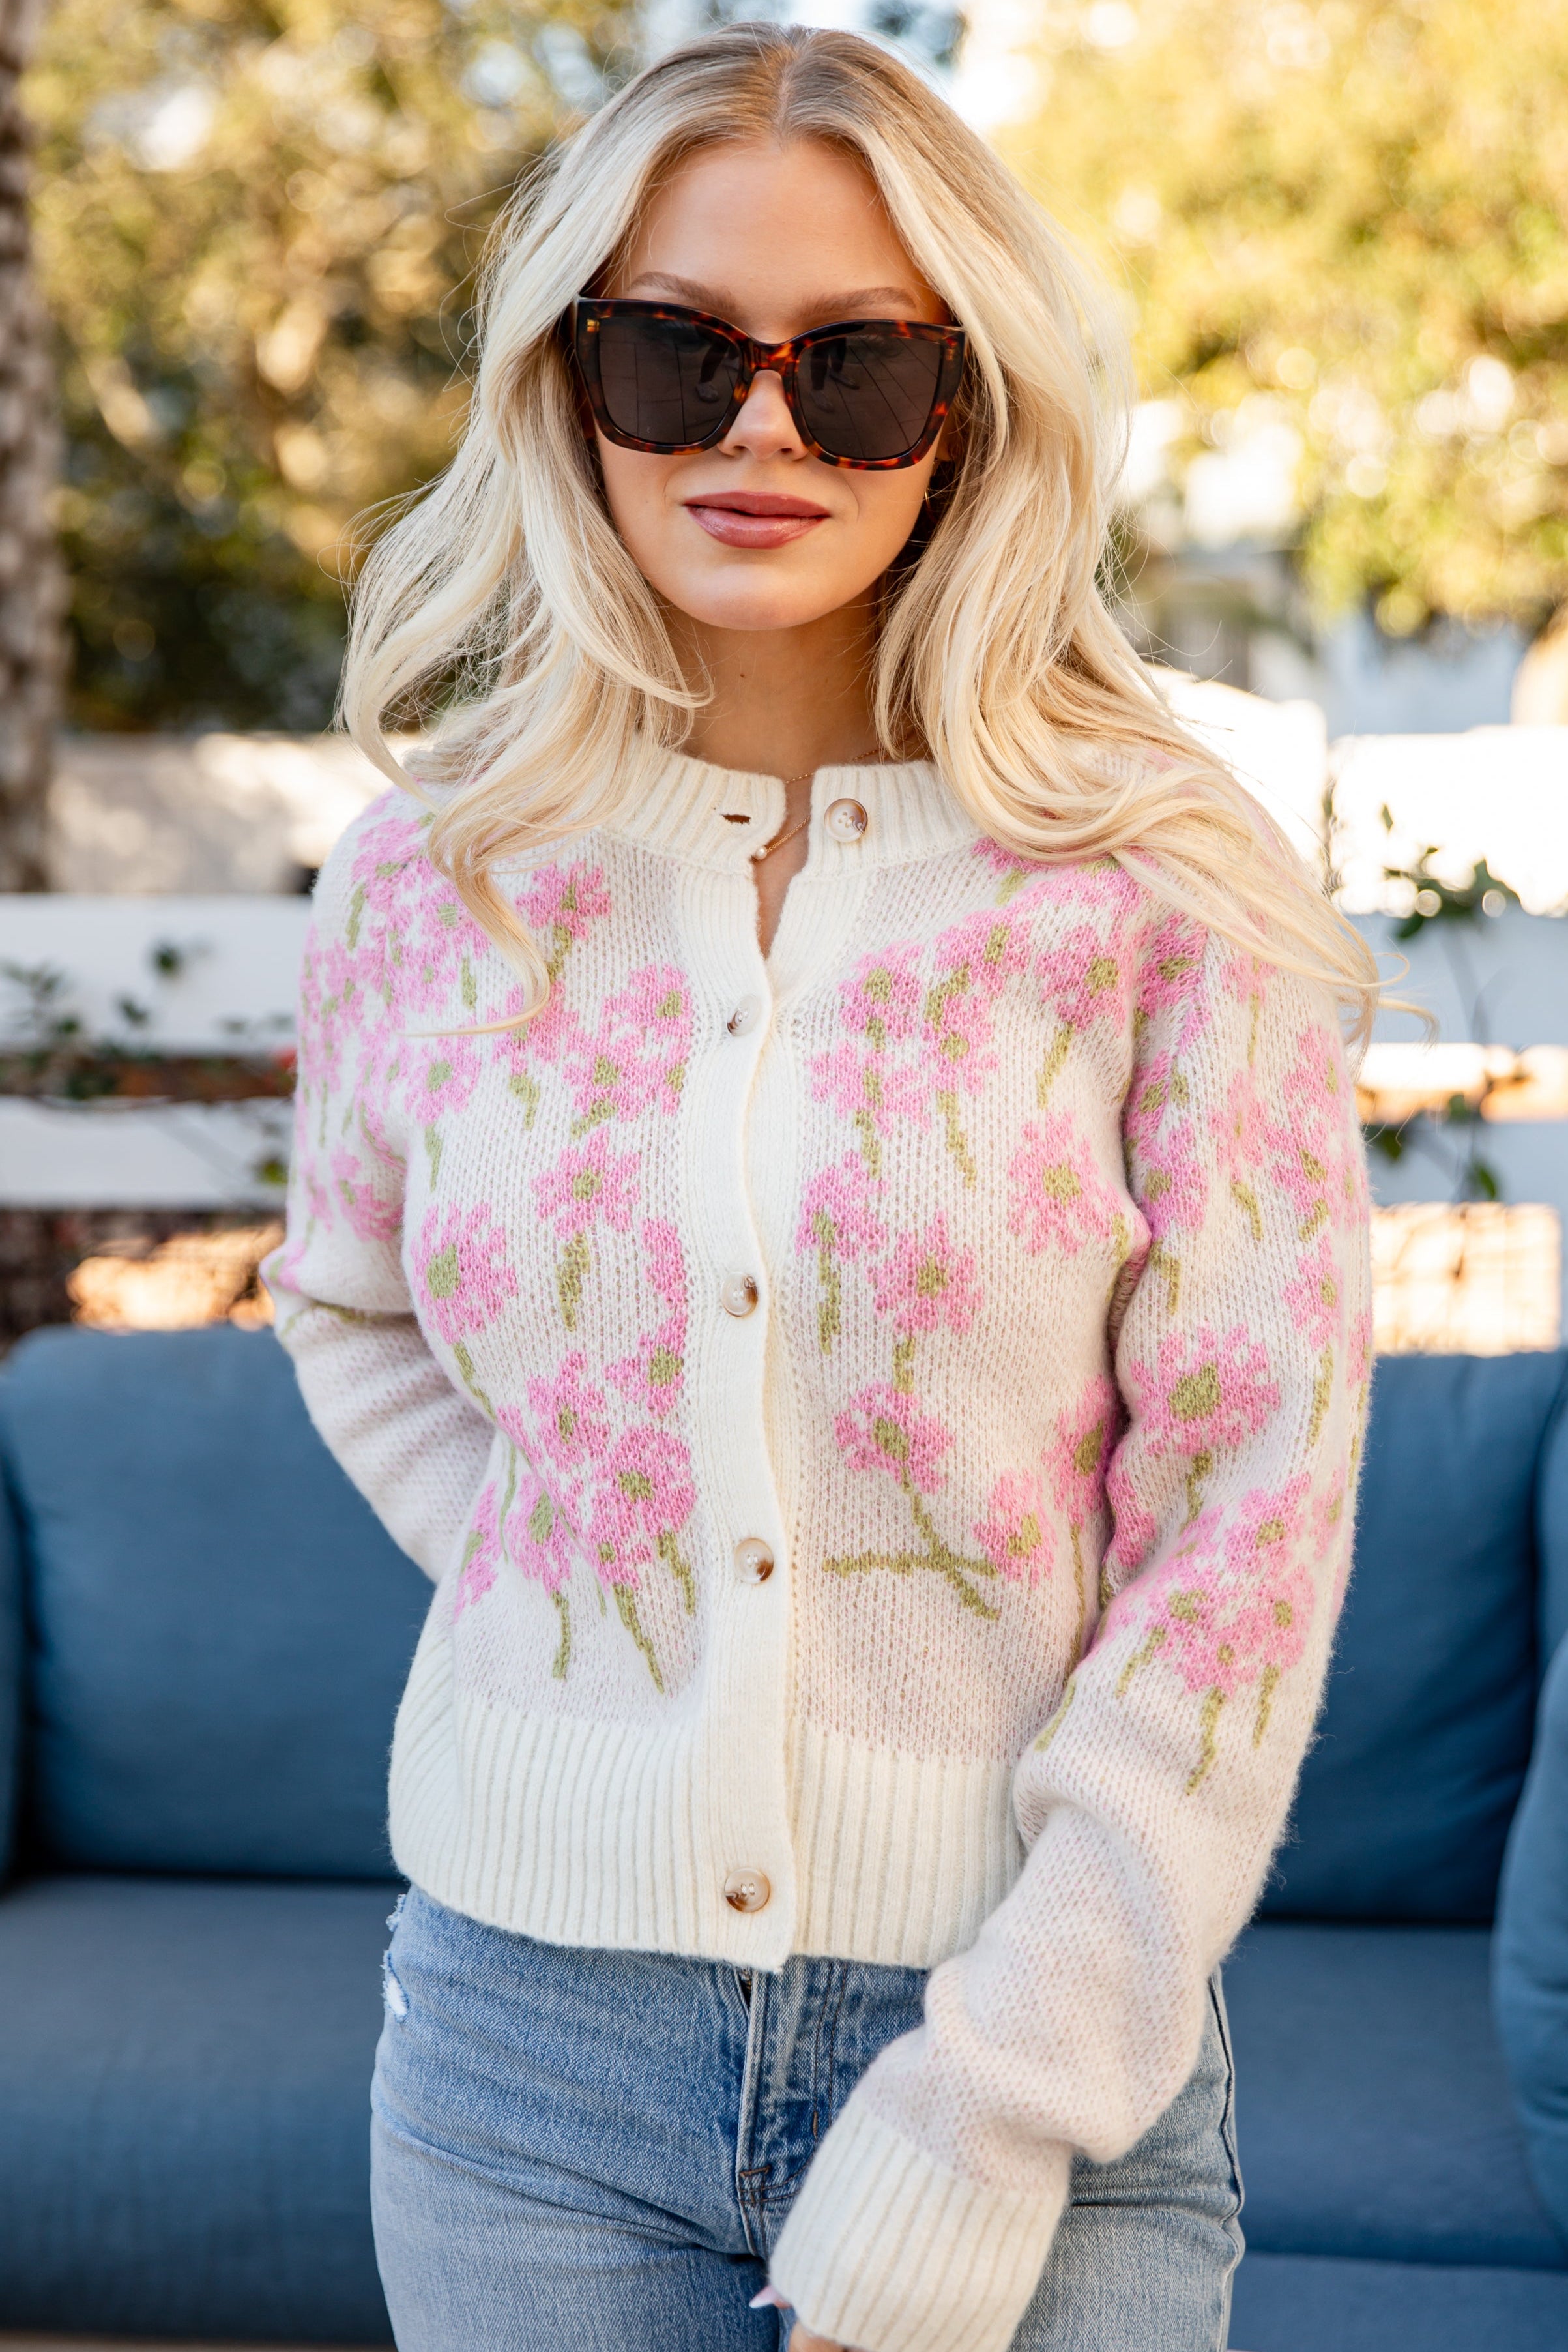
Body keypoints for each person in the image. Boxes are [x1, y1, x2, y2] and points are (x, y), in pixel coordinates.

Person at [265, 24, 1374, 2352]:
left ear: (964, 408)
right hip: (521, 2063)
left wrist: (999, 2096)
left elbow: (1250, 1506)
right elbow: (345, 1306)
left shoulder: (1161, 886)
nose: (761, 432)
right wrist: (589, 1585)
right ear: (567, 384)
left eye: (856, 370)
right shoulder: (431, 883)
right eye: (675, 354)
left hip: (1043, 2065)